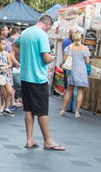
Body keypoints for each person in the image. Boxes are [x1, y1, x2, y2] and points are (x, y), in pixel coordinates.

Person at [13, 14, 64, 150]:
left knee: (28, 109)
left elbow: (14, 45)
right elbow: (46, 57)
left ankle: (29, 139)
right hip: (37, 77)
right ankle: (47, 140)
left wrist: (25, 55)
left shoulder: (26, 32)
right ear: (47, 24)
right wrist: (53, 57)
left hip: (25, 76)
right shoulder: (42, 35)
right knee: (42, 110)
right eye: (49, 27)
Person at [60, 30, 91, 118]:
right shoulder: (85, 48)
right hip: (82, 70)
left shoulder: (69, 47)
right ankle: (77, 111)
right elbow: (87, 61)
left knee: (69, 90)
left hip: (72, 70)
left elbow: (65, 60)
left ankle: (63, 109)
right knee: (80, 91)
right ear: (81, 38)